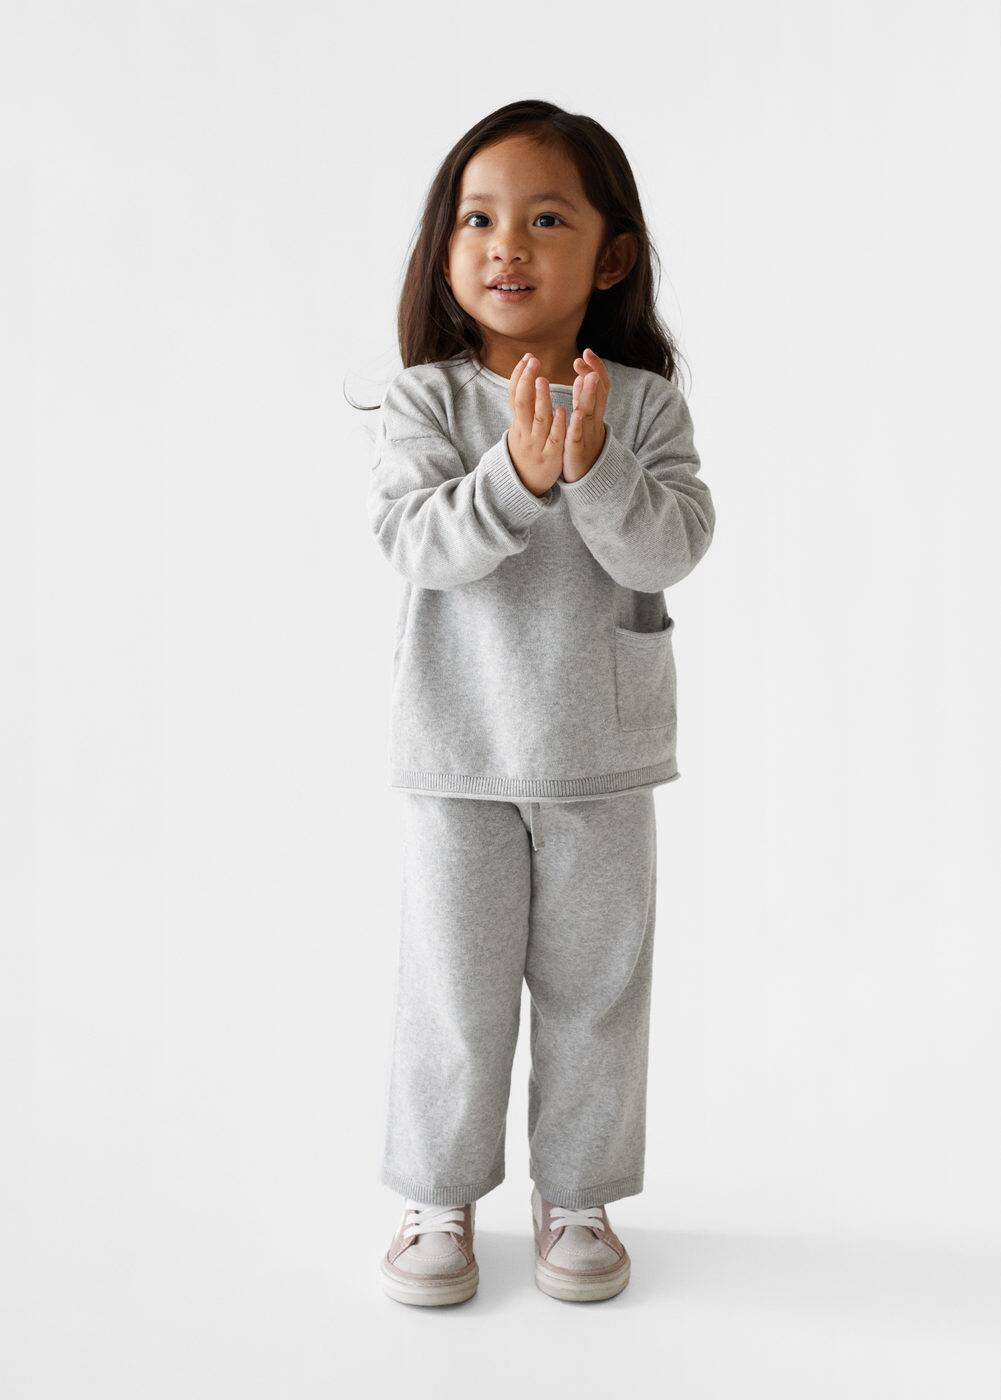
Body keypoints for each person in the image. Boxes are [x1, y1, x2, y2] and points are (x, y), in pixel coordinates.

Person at [364, 99, 716, 1306]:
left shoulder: (642, 404)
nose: (504, 243)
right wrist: (514, 475)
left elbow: (670, 546)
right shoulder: (426, 401)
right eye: (477, 219)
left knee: (596, 992)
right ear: (444, 247)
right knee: (452, 995)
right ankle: (437, 1192)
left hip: (600, 757)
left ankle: (577, 1194)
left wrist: (591, 459)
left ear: (608, 257)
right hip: (457, 751)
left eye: (544, 218)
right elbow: (415, 542)